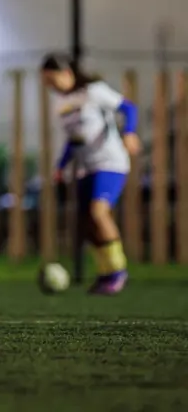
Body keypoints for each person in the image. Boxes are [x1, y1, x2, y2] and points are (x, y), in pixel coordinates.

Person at [40, 52, 139, 295]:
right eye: (47, 82)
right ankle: (105, 274)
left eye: (52, 80)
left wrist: (129, 132)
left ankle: (118, 270)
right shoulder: (61, 104)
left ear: (67, 73)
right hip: (86, 168)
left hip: (110, 162)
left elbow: (128, 108)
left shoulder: (93, 91)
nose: (50, 86)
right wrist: (61, 166)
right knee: (87, 224)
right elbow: (74, 141)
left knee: (98, 212)